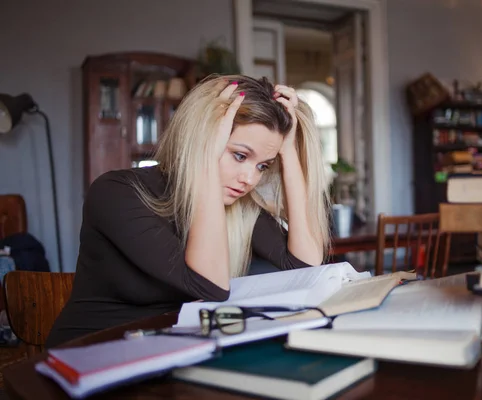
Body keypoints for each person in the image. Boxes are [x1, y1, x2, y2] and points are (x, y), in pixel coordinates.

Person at [46, 75, 331, 347]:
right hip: (89, 354)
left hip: (166, 352)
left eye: (263, 166)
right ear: (203, 140)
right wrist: (205, 158)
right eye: (240, 156)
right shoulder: (116, 192)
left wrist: (289, 150)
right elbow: (211, 287)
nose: (249, 179)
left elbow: (305, 265)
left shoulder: (236, 206)